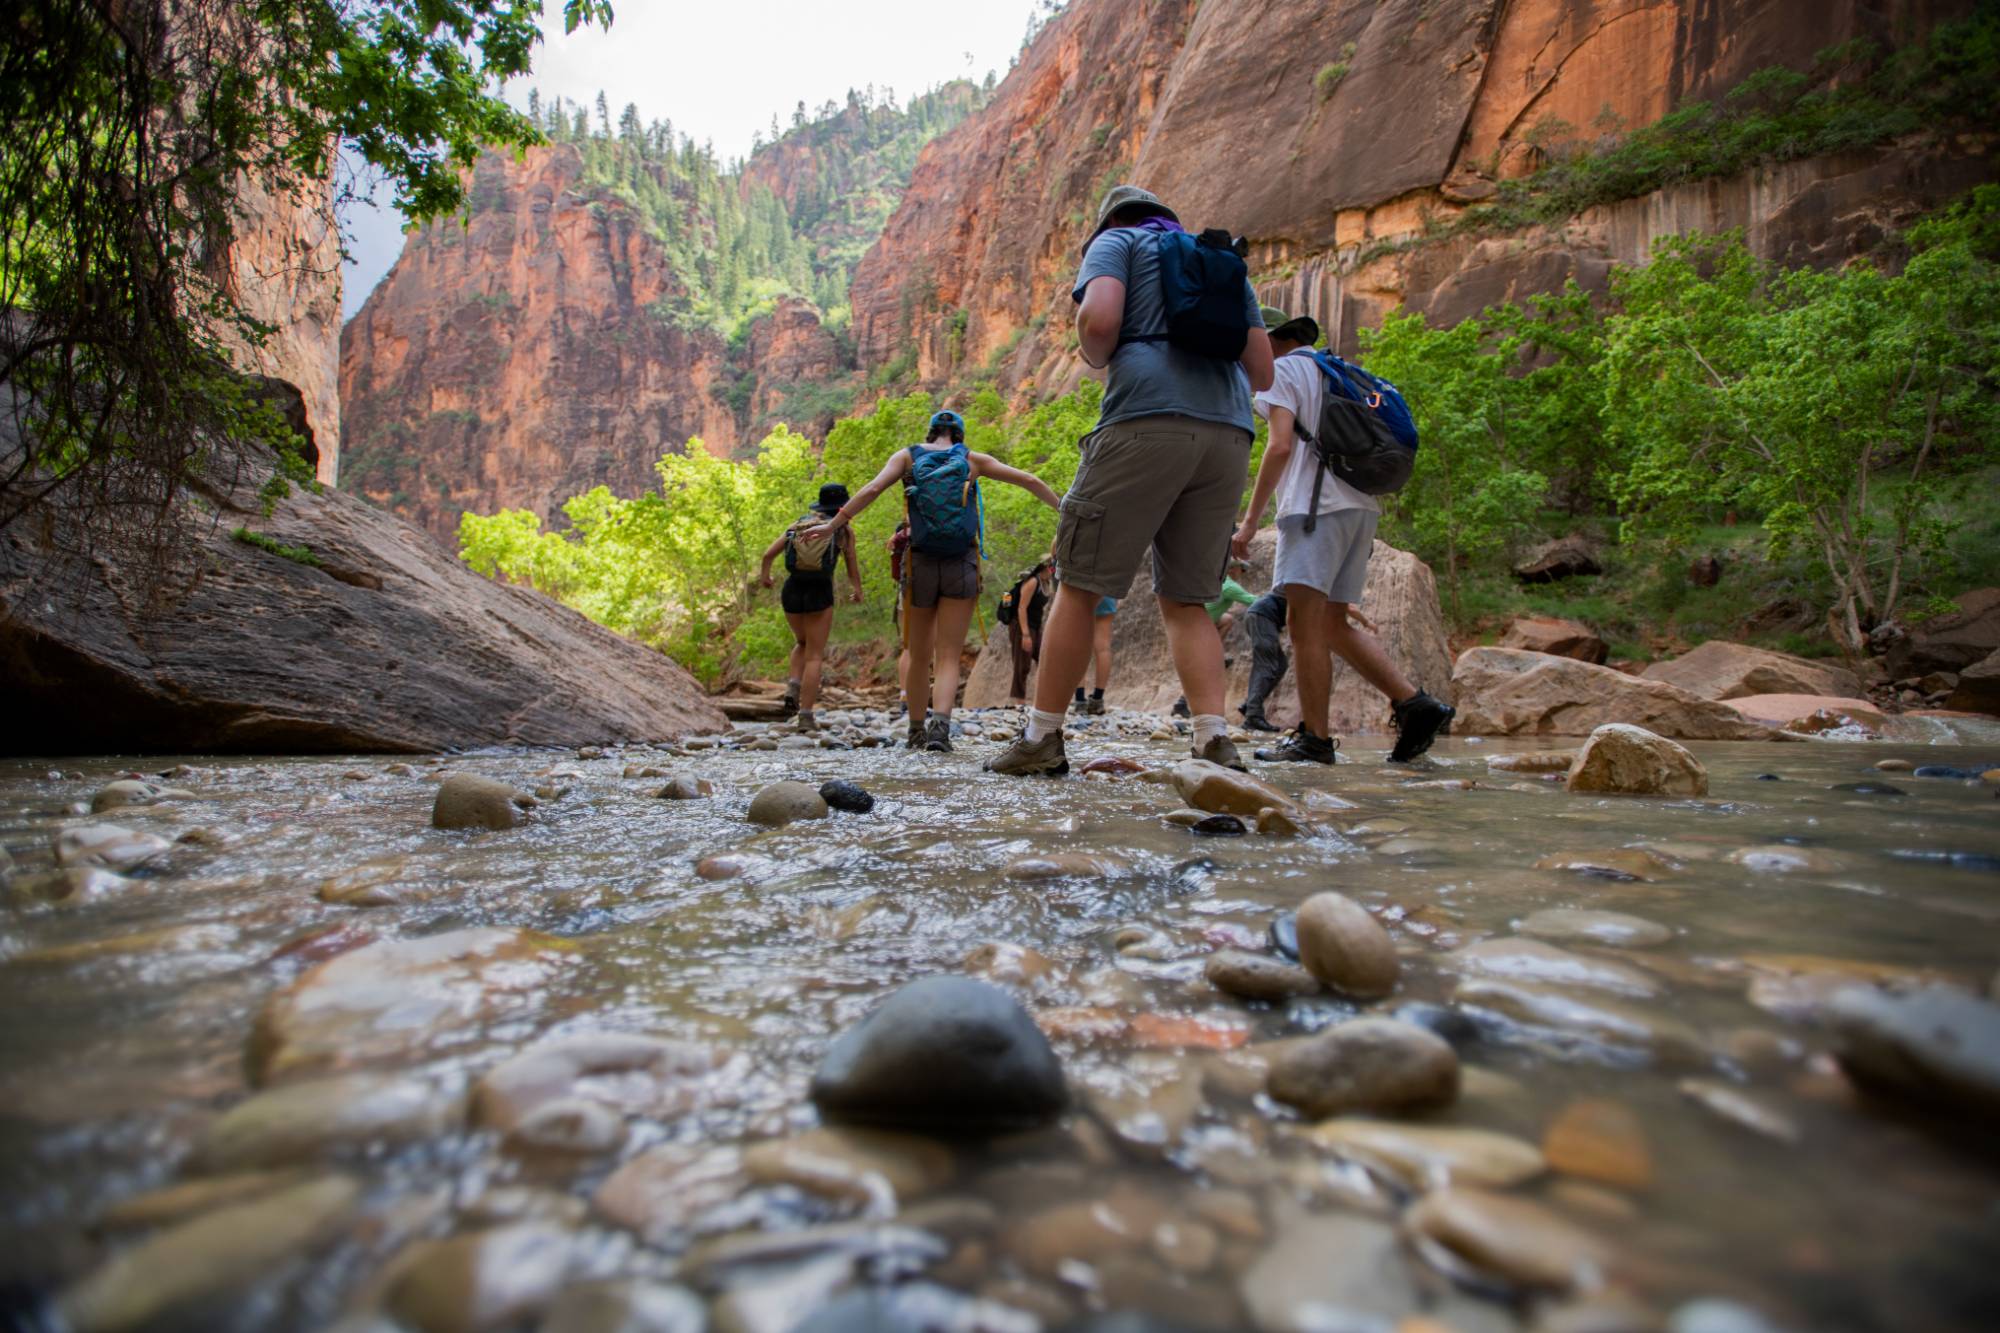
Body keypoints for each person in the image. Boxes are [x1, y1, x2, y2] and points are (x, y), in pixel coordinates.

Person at [987, 184, 1274, 777]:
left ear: (1111, 221)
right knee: (1189, 598)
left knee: (1080, 581)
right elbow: (1264, 370)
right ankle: (1213, 739)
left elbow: (1100, 319)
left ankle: (1042, 738)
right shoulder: (1219, 262)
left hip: (1143, 421)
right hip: (1229, 434)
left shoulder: (1115, 242)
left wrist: (1102, 354)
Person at [1230, 313, 1454, 763]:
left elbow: (1278, 447)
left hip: (1314, 509)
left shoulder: (1284, 370)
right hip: (1359, 509)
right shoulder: (1335, 370)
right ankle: (1415, 704)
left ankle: (1314, 739)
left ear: (1272, 340)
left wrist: (1251, 520)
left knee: (1303, 623)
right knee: (1333, 623)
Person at [808, 409, 1059, 751]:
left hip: (920, 563)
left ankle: (915, 730)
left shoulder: (907, 457)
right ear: (959, 434)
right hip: (961, 563)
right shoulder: (973, 460)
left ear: (931, 434)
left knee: (917, 651)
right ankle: (939, 728)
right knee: (949, 655)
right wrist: (1063, 508)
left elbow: (872, 488)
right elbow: (1029, 480)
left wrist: (832, 525)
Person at [760, 482, 863, 731]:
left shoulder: (798, 525)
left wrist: (766, 576)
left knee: (802, 643)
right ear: (842, 506)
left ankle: (793, 684)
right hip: (820, 591)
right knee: (815, 655)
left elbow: (767, 555)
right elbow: (851, 563)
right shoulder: (843, 531)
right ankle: (806, 715)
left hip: (792, 590)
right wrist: (856, 589)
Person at [1174, 561, 1256, 717]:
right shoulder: (1230, 586)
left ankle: (1213, 650)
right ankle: (1182, 703)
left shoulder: (1219, 581)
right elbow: (1254, 601)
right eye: (1242, 569)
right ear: (1233, 569)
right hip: (1197, 628)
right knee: (1201, 666)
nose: (1243, 573)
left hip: (1197, 623)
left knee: (1227, 619)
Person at [1005, 555, 1054, 705]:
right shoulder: (1033, 581)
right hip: (1021, 626)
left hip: (1035, 625)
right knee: (1022, 664)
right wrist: (1025, 634)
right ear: (1044, 568)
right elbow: (1021, 607)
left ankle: (1044, 697)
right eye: (1052, 568)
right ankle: (1019, 701)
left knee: (1043, 657)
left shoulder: (1046, 583)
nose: (1053, 571)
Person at [1239, 588, 1288, 732]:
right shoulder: (1307, 586)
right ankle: (1253, 716)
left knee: (1280, 665)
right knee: (1266, 666)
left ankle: (1250, 705)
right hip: (1262, 616)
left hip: (1260, 616)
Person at [1075, 596, 1116, 715]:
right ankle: (1097, 700)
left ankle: (1080, 701)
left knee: (1080, 648)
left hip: (1083, 590)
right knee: (1103, 648)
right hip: (1106, 592)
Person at [888, 520, 912, 716]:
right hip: (935, 586)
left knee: (908, 646)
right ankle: (934, 695)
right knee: (938, 646)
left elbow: (896, 574)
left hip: (905, 590)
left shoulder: (901, 531)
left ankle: (904, 695)